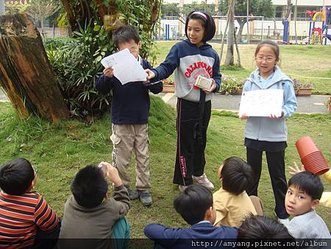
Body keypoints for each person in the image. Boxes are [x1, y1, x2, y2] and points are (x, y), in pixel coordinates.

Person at [146, 11, 221, 192]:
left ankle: (198, 173)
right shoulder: (180, 48)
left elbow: (217, 77)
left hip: (205, 105)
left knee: (201, 141)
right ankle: (185, 179)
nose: (192, 33)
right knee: (185, 142)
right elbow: (167, 66)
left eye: (197, 30)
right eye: (189, 29)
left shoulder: (212, 54)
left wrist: (214, 85)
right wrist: (154, 73)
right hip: (186, 104)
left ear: (206, 31)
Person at [96, 25, 163, 206]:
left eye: (133, 48)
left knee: (143, 155)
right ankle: (123, 187)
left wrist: (148, 79)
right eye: (125, 51)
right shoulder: (114, 67)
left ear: (139, 45)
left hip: (141, 119)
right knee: (121, 157)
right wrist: (107, 77)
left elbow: (159, 88)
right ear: (118, 51)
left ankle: (144, 188)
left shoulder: (145, 65)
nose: (131, 53)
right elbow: (100, 89)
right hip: (121, 120)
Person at [241, 40, 297, 223]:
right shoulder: (250, 81)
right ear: (255, 58)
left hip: (275, 137)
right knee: (251, 175)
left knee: (278, 176)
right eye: (260, 57)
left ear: (276, 60)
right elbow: (244, 102)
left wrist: (282, 112)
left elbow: (292, 105)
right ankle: (251, 210)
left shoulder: (284, 82)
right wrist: (244, 112)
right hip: (253, 135)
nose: (264, 61)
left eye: (268, 58)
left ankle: (282, 213)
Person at [57, 162, 130, 249]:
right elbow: (124, 203)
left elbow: (87, 186)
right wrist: (118, 183)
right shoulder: (109, 208)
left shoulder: (69, 203)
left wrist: (98, 172)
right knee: (122, 221)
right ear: (106, 195)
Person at [144, 184, 237, 249]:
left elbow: (149, 229)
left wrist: (171, 233)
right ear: (209, 212)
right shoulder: (231, 234)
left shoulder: (178, 237)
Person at [0, 158, 60, 249]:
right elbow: (52, 224)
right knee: (57, 227)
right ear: (32, 183)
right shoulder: (35, 202)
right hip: (22, 246)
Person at [213, 156, 259, 227]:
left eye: (223, 164)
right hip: (252, 229)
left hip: (235, 234)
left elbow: (213, 225)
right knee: (254, 199)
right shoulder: (242, 192)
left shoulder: (219, 199)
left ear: (222, 177)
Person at [283, 171, 330, 238]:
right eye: (290, 192)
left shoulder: (298, 226)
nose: (291, 200)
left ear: (314, 203)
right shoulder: (314, 217)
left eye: (300, 197)